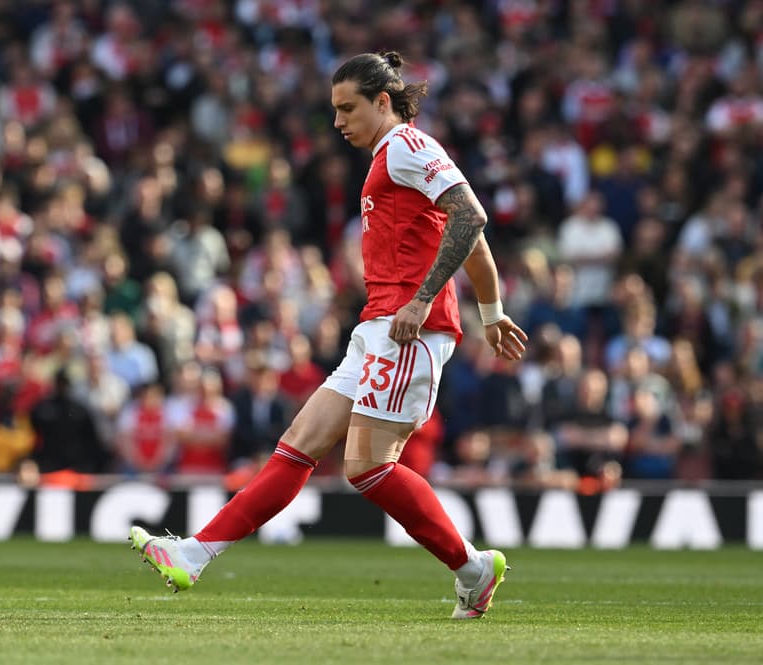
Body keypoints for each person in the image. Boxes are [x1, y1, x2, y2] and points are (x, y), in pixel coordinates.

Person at [130, 51, 528, 620]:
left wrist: (425, 300)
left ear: (383, 102)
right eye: (334, 110)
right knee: (300, 441)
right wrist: (490, 311)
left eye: (348, 108)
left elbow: (472, 217)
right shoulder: (391, 158)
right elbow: (466, 232)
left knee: (367, 466)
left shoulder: (408, 148)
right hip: (379, 324)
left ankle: (472, 567)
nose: (338, 122)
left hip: (408, 328)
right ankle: (193, 554)